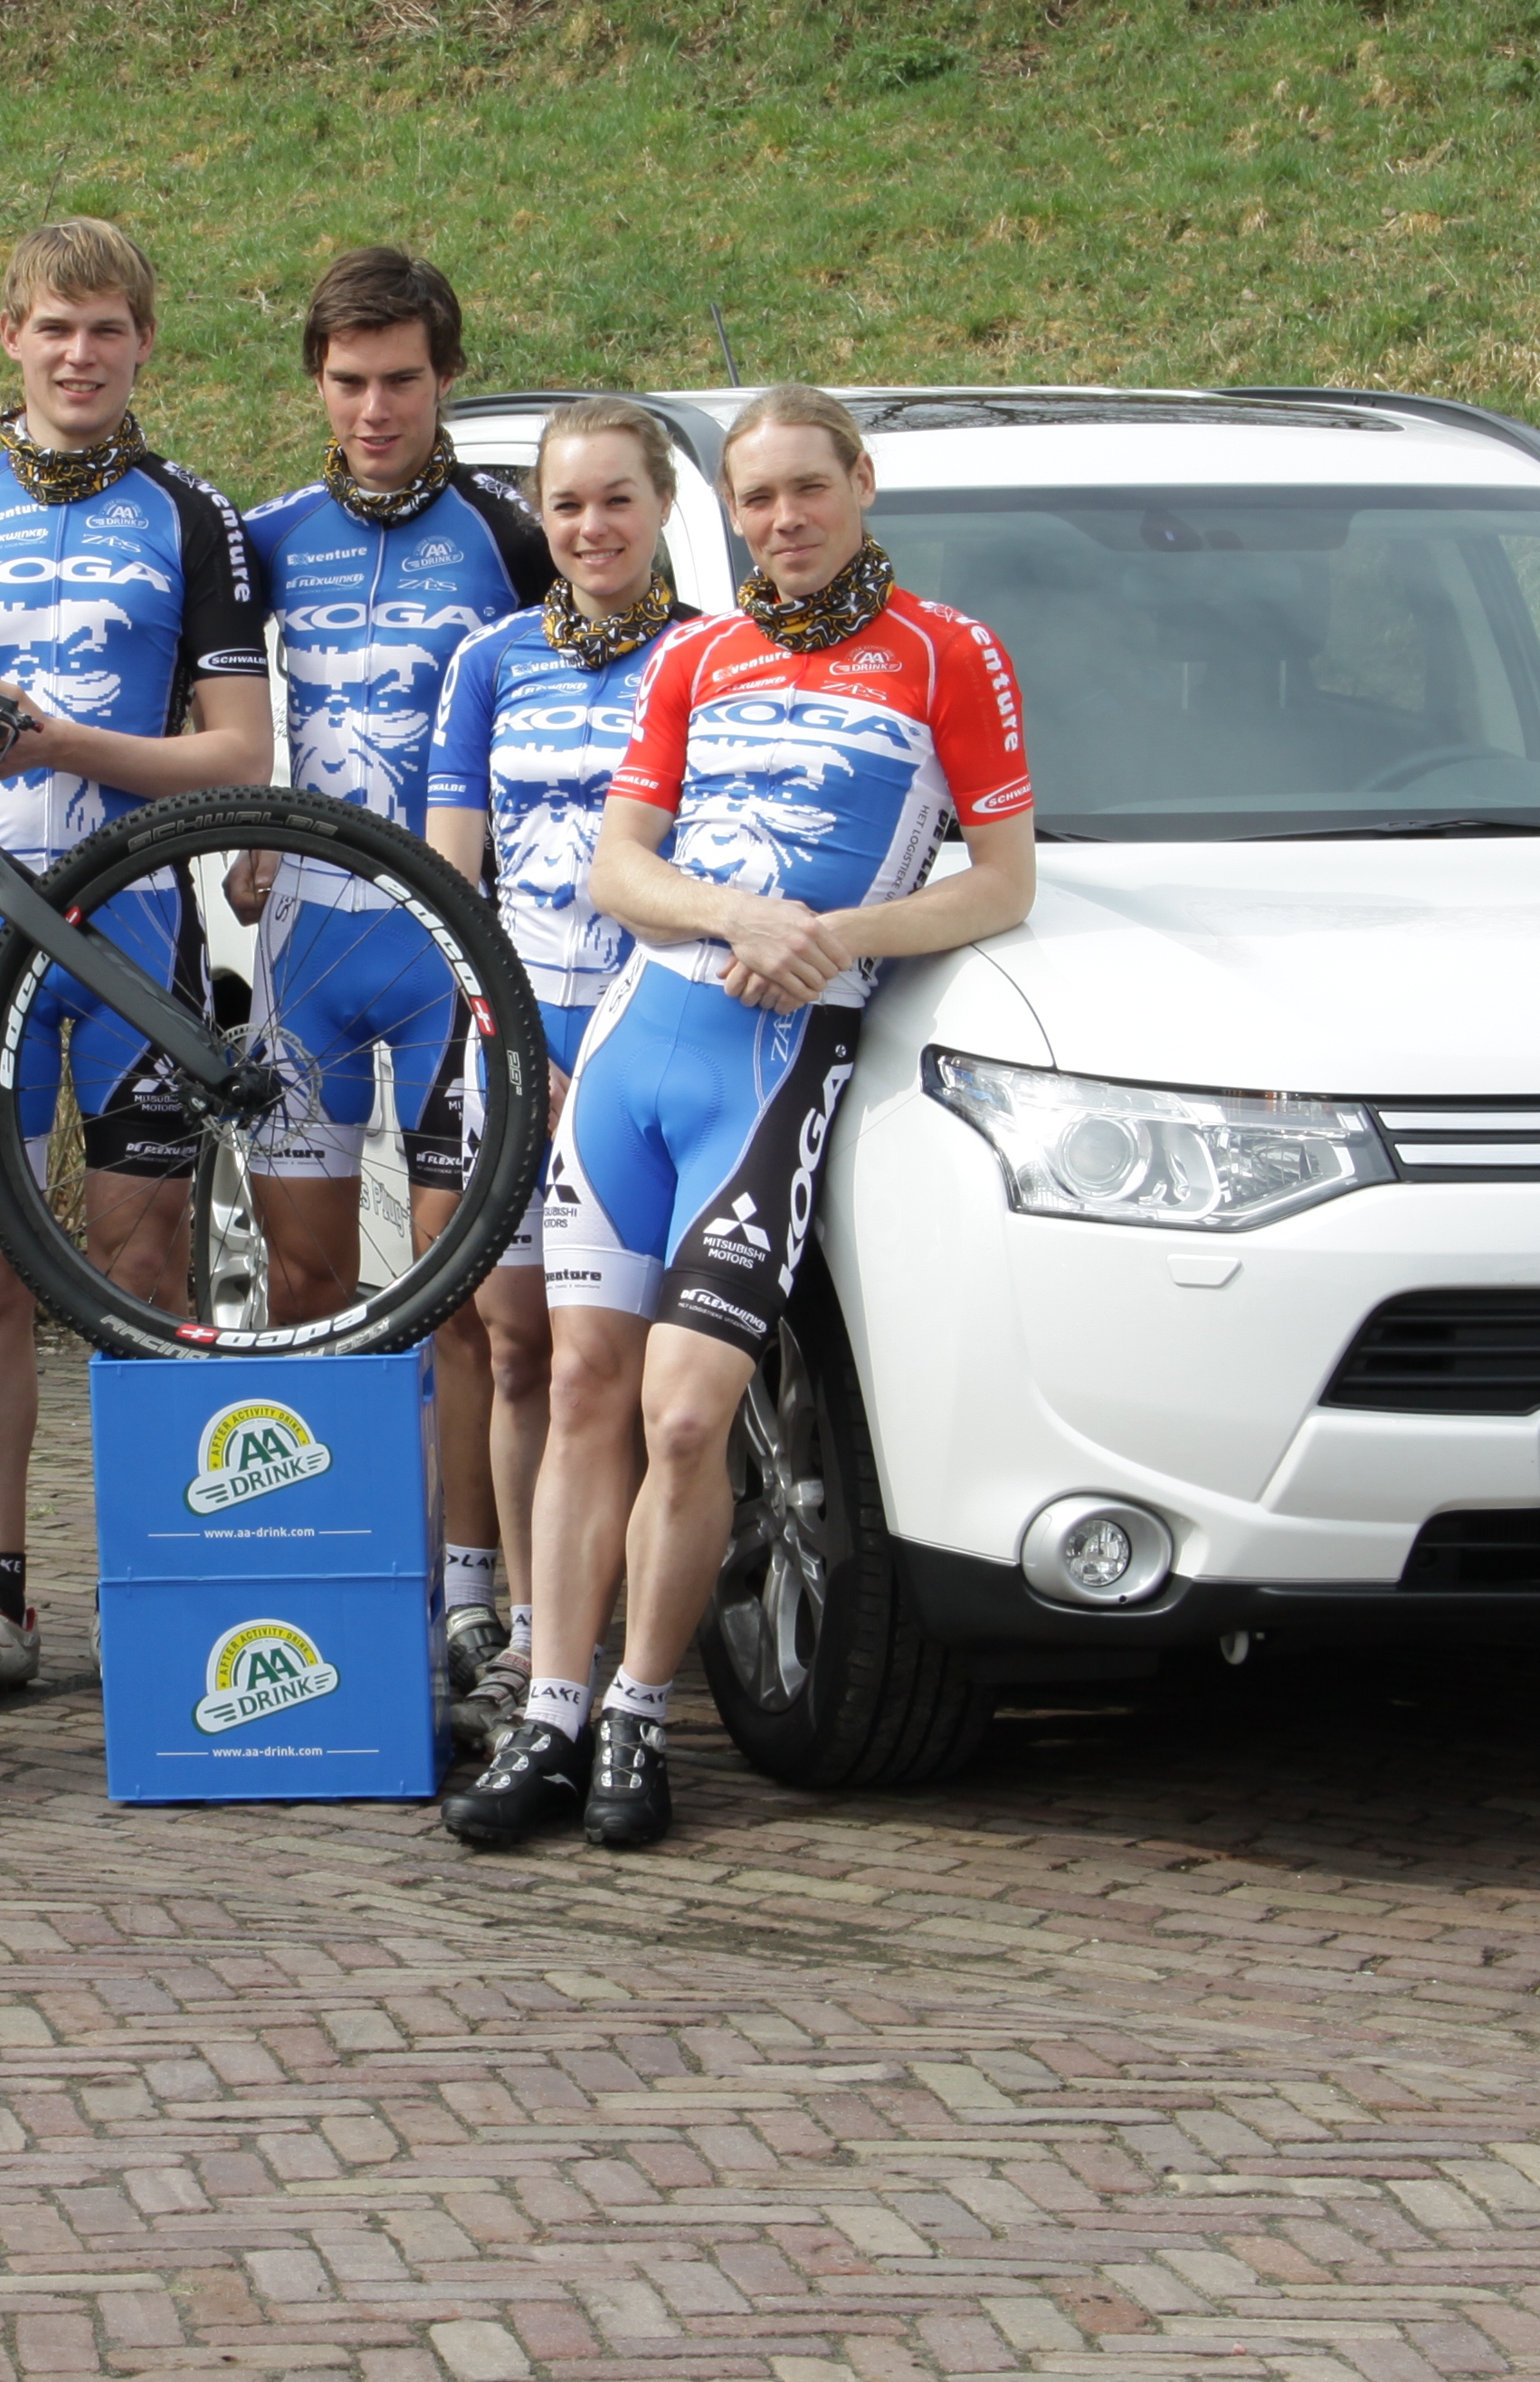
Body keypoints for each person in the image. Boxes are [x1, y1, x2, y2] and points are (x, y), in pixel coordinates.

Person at [443, 386, 1038, 1851]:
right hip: (640, 1047)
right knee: (585, 1390)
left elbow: (1002, 881)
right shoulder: (698, 655)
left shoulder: (949, 651)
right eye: (757, 499)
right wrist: (735, 914)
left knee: (690, 1413)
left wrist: (832, 938)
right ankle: (552, 1714)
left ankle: (641, 1715)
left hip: (775, 1069)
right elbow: (618, 870)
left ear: (862, 482)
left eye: (806, 489)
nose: (784, 521)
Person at [0, 217, 271, 1712]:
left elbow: (239, 755)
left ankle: (154, 1597)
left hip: (133, 940)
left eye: (108, 329)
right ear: (11, 339)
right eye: (55, 327)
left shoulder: (194, 516)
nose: (81, 354)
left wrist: (66, 747)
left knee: (141, 1269)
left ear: (145, 343)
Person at [238, 247, 551, 1702]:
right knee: (305, 1274)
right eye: (350, 381)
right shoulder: (263, 537)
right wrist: (243, 829)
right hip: (305, 942)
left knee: (459, 1287)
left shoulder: (510, 536)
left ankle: (468, 1591)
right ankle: (327, 1556)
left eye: (404, 382)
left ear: (447, 379)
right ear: (317, 380)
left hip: (449, 953)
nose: (376, 410)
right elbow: (209, 705)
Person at [419, 397, 693, 1757]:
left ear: (664, 508)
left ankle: (612, 1643)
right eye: (568, 505)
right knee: (519, 1344)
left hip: (654, 1042)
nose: (592, 529)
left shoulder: (713, 655)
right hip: (516, 1038)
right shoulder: (489, 660)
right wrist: (505, 1044)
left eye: (618, 500)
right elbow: (447, 878)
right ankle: (533, 1638)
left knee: (615, 1362)